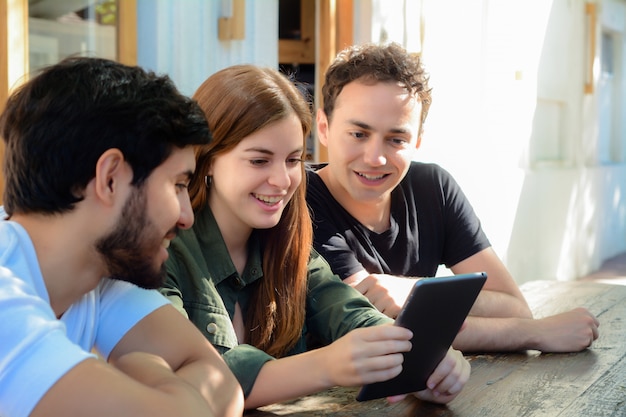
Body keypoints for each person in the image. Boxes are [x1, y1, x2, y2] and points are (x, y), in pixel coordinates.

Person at [160, 64, 470, 410]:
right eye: (260, 161)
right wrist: (326, 366)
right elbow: (191, 378)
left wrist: (422, 363)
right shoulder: (162, 252)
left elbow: (349, 310)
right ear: (209, 157)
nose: (282, 180)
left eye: (293, 160)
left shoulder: (289, 241)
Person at [306, 42, 600, 353]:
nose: (375, 157)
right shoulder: (302, 200)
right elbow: (382, 330)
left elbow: (512, 305)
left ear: (417, 140)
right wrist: (533, 333)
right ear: (323, 128)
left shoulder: (432, 186)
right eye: (359, 134)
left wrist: (412, 292)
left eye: (396, 139)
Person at [0, 57, 244, 417]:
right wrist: (157, 375)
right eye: (177, 185)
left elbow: (222, 386)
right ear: (110, 178)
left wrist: (166, 393)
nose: (187, 216)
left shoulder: (94, 280)